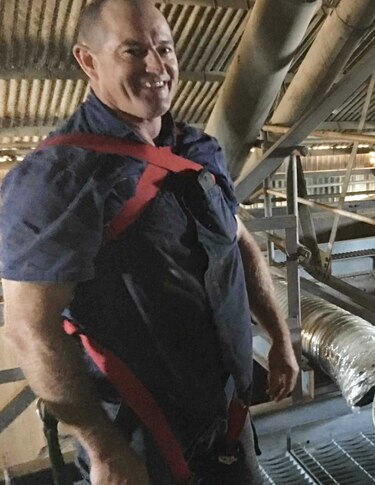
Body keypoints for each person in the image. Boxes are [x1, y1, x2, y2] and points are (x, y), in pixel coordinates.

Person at [0, 0, 299, 483]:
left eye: (165, 48)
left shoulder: (196, 150)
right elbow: (29, 328)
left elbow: (239, 243)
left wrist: (280, 342)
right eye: (134, 51)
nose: (157, 67)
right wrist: (104, 450)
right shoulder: (57, 181)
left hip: (224, 420)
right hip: (140, 444)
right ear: (88, 61)